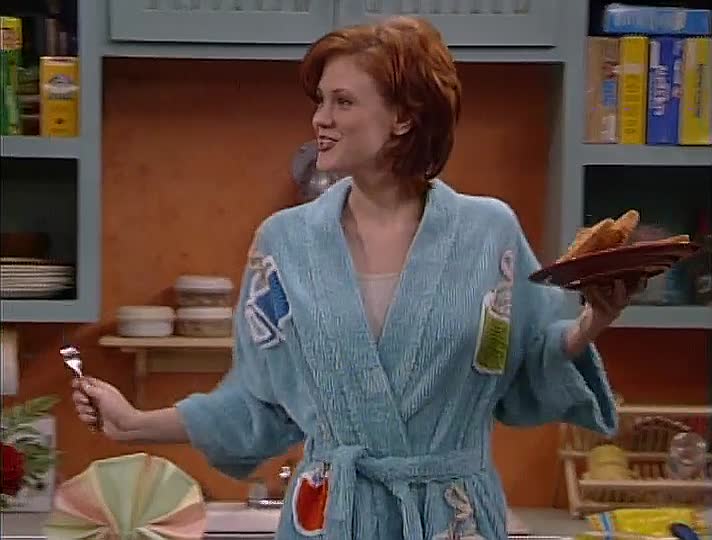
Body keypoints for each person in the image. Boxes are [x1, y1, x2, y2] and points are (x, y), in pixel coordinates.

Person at [73, 16, 640, 540]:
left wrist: (592, 321)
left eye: (343, 101)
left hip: (453, 517)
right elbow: (258, 403)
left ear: (403, 117)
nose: (320, 118)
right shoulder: (283, 245)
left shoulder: (489, 233)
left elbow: (526, 364)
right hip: (332, 518)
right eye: (320, 100)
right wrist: (135, 424)